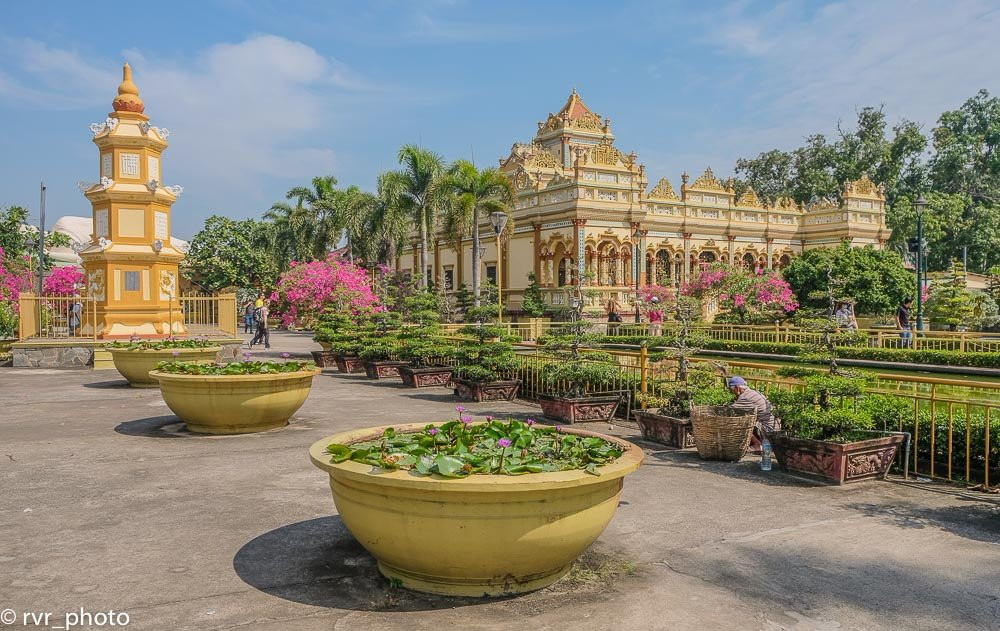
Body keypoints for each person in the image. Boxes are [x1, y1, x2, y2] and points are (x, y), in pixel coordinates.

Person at [727, 376, 777, 449]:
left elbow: (728, 412)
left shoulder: (745, 397)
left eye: (732, 391)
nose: (732, 394)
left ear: (737, 388)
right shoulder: (753, 392)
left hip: (767, 432)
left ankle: (757, 444)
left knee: (740, 423)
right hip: (773, 430)